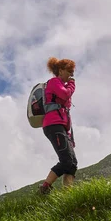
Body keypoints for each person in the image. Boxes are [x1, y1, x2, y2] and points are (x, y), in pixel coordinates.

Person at [39, 57, 77, 195]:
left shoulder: (61, 84)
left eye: (72, 72)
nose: (71, 75)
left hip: (61, 127)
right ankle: (44, 188)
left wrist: (69, 137)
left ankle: (68, 196)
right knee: (66, 161)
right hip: (53, 125)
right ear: (60, 70)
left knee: (72, 163)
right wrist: (72, 85)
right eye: (69, 71)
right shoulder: (54, 82)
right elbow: (65, 94)